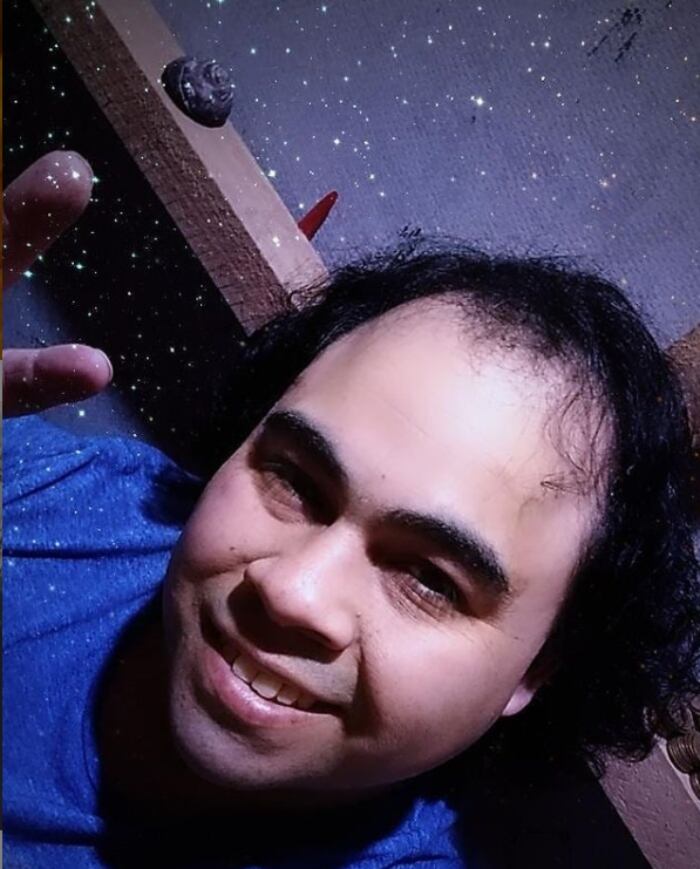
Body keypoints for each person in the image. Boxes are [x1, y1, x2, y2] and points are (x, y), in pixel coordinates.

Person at [4, 151, 699, 868]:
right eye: (296, 483)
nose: (292, 591)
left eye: (430, 579)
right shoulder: (49, 497)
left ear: (536, 672)